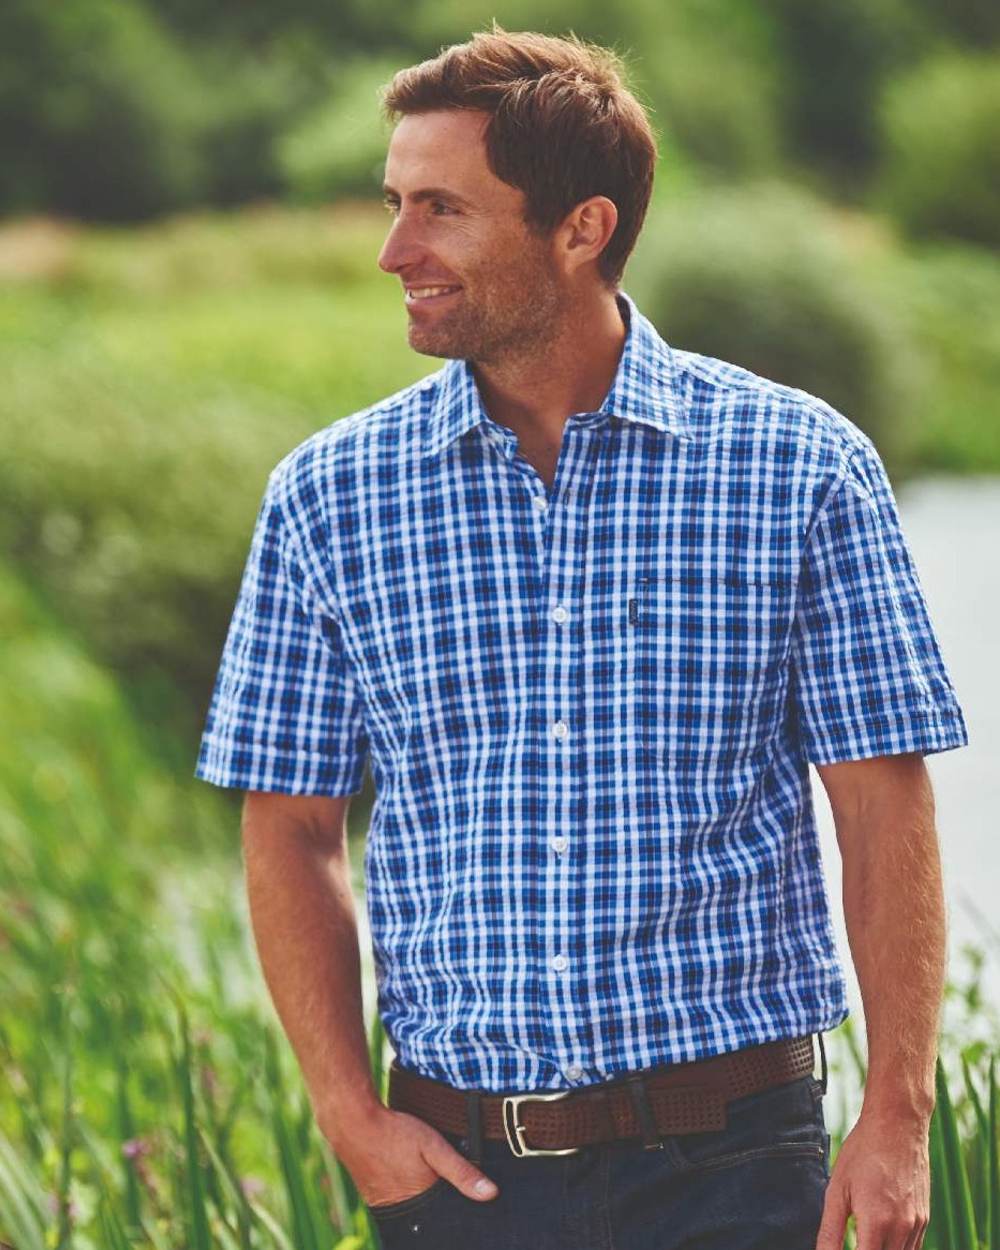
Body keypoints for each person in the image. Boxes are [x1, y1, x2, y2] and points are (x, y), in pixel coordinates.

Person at [194, 26, 969, 1250]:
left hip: (739, 1170)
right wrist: (349, 1117)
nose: (395, 250)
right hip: (462, 1178)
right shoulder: (327, 495)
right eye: (395, 203)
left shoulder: (799, 464)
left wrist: (898, 1115)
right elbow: (289, 826)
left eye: (439, 209)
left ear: (580, 227)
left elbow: (880, 805)